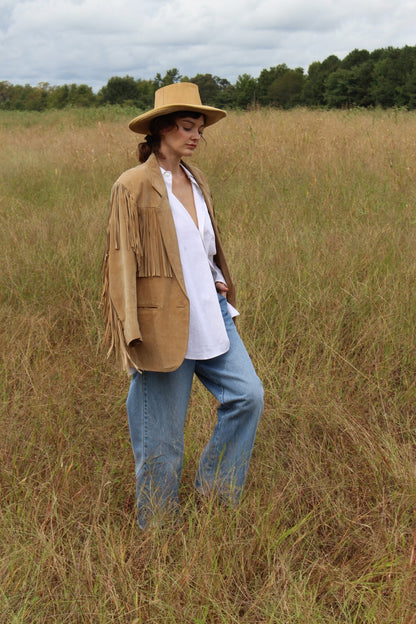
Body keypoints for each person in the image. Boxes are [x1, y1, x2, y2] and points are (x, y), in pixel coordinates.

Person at [102, 82, 263, 529]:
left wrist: (216, 279)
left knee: (248, 396)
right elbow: (121, 259)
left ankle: (214, 495)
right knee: (163, 439)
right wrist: (131, 331)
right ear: (161, 129)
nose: (196, 136)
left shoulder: (196, 179)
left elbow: (200, 246)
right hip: (161, 323)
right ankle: (156, 531)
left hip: (211, 311)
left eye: (200, 129)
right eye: (188, 127)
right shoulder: (132, 185)